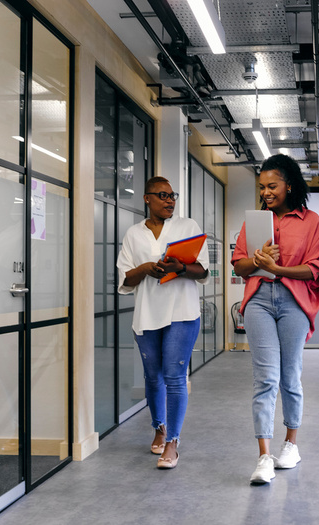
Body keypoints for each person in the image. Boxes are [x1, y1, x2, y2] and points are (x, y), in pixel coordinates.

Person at [231, 154, 319, 484]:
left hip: (294, 301)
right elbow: (238, 266)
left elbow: (316, 270)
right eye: (262, 187)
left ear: (289, 184)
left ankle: (291, 445)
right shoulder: (257, 220)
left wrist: (279, 269)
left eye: (273, 186)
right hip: (258, 300)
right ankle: (263, 456)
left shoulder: (310, 221)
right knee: (266, 377)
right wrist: (255, 260)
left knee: (290, 376)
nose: (267, 192)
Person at [117, 176, 209, 469]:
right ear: (147, 199)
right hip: (147, 314)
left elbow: (203, 271)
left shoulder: (187, 227)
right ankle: (159, 427)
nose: (170, 201)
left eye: (173, 196)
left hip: (182, 312)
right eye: (163, 195)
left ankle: (173, 443)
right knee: (153, 376)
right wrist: (145, 268)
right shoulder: (133, 234)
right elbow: (125, 279)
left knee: (174, 377)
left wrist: (179, 266)